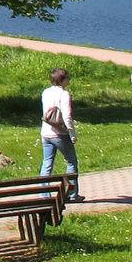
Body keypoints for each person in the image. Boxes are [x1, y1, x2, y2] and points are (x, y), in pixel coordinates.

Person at [39, 68, 83, 201]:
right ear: (62, 80)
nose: (69, 80)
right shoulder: (64, 94)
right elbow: (67, 116)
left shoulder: (45, 92)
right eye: (67, 78)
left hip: (46, 133)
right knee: (71, 162)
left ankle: (45, 195)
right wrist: (72, 134)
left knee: (47, 163)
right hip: (60, 134)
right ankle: (72, 194)